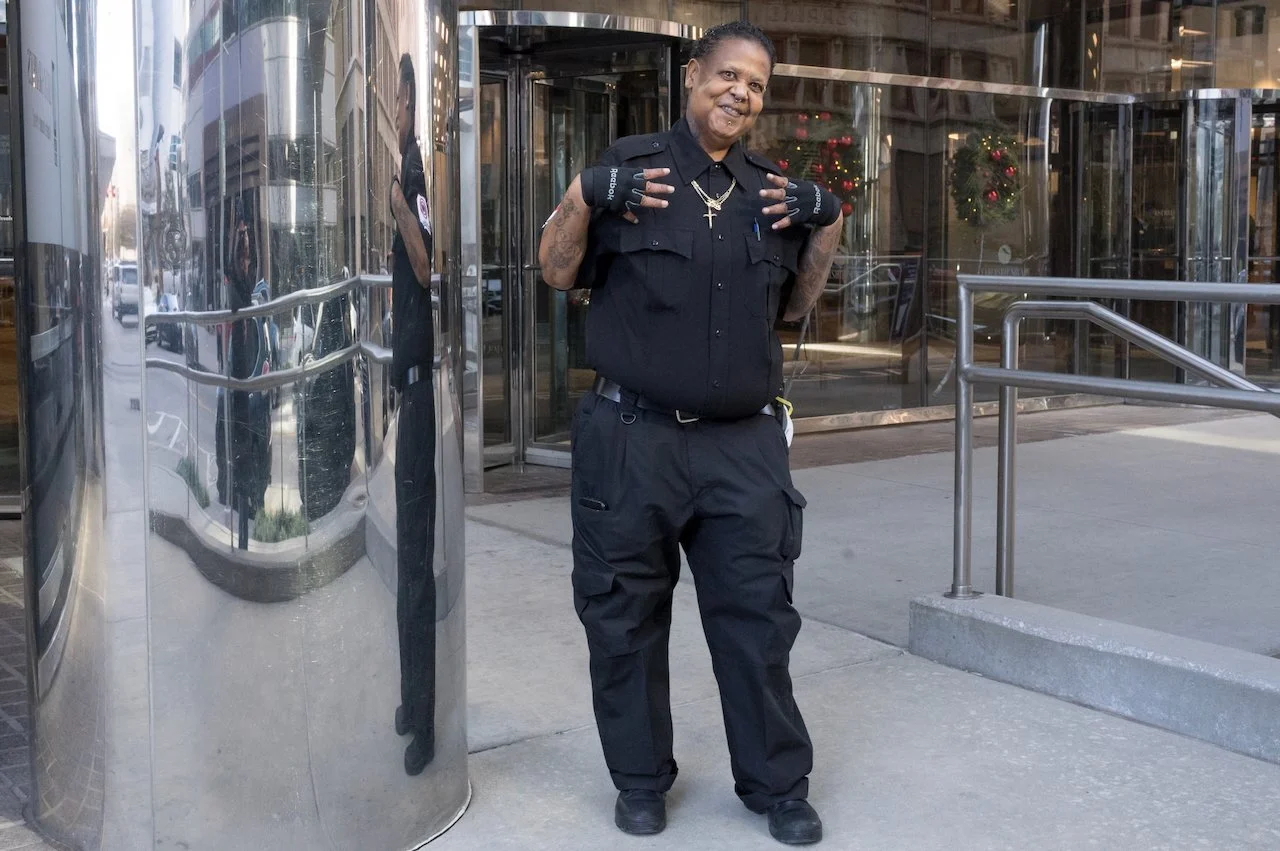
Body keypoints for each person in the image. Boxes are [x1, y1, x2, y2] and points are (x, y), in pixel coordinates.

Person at [537, 20, 843, 847]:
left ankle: (778, 783)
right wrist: (582, 194)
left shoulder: (774, 192)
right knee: (622, 615)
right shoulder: (631, 174)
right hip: (631, 439)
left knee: (758, 618)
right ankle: (639, 779)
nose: (741, 93)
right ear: (694, 74)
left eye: (758, 86)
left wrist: (828, 224)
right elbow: (555, 268)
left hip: (741, 446)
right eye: (729, 75)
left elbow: (797, 306)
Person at [388, 52, 437, 777]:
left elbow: (429, 266)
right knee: (406, 552)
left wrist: (398, 207)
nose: (390, 106)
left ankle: (424, 721)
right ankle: (408, 699)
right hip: (408, 381)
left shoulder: (417, 169)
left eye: (394, 95)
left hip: (426, 388)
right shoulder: (405, 161)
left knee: (418, 558)